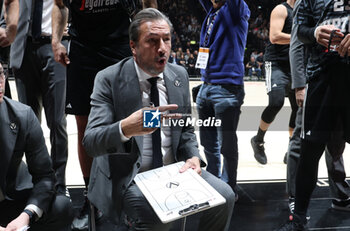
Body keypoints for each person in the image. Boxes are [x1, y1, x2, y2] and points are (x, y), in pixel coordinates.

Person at [83, 8, 235, 231]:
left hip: (172, 172)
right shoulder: (108, 79)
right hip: (131, 178)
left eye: (166, 39)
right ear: (133, 46)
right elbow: (91, 142)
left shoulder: (179, 76)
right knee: (160, 217)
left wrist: (193, 157)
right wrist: (125, 128)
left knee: (226, 197)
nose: (162, 48)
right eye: (152, 41)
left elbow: (186, 131)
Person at [52, 0, 157, 228]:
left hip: (119, 46)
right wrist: (56, 40)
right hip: (82, 50)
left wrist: (149, 40)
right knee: (84, 125)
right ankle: (91, 199)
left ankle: (129, 195)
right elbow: (60, 5)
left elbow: (147, 4)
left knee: (129, 123)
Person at [276, 0, 350, 229]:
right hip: (321, 78)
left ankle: (337, 193)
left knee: (332, 149)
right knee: (309, 149)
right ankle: (298, 218)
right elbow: (301, 33)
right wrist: (315, 31)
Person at [0, 63, 73, 231]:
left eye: (1, 75)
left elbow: (45, 177)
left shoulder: (22, 115)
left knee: (61, 207)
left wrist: (26, 215)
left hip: (11, 197)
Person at [7, 0, 69, 194]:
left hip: (54, 46)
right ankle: (37, 182)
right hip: (23, 48)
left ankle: (59, 185)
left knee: (57, 121)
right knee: (28, 122)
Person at [195, 0, 250, 199]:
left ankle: (228, 189)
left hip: (227, 88)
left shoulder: (237, 8)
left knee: (226, 145)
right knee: (208, 144)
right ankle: (213, 183)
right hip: (205, 86)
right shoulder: (212, 11)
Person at [251, 0, 298, 165]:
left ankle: (292, 146)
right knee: (276, 102)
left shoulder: (306, 12)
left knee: (299, 107)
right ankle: (258, 140)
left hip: (296, 64)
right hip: (276, 63)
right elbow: (275, 36)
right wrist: (302, 37)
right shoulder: (281, 9)